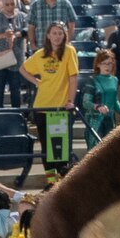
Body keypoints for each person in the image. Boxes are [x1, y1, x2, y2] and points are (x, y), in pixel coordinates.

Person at [20, 22, 78, 183]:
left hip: (60, 108)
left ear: (65, 35)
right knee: (47, 150)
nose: (57, 36)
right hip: (42, 107)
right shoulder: (40, 54)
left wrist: (71, 100)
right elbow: (23, 69)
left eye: (60, 33)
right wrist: (36, 82)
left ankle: (63, 182)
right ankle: (52, 182)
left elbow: (73, 77)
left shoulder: (69, 51)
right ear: (48, 35)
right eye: (54, 33)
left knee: (61, 150)